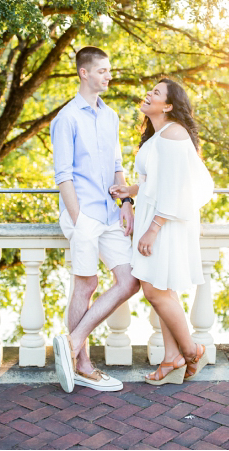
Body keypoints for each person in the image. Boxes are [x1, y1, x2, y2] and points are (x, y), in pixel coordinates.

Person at [109, 78, 214, 385]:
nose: (149, 94)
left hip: (165, 222)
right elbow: (155, 180)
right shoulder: (157, 135)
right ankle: (172, 360)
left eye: (156, 93)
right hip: (155, 217)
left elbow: (175, 186)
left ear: (168, 105)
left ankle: (193, 350)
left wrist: (153, 229)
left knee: (155, 290)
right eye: (150, 90)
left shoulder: (174, 133)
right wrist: (129, 189)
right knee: (161, 289)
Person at [50, 47, 140, 393]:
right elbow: (64, 177)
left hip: (110, 214)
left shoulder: (111, 116)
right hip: (84, 216)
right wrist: (79, 219)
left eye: (109, 70)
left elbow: (117, 166)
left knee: (129, 280)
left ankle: (71, 342)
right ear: (83, 73)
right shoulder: (66, 118)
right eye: (102, 70)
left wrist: (127, 202)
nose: (108, 75)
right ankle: (83, 366)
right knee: (85, 286)